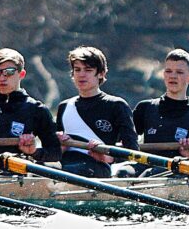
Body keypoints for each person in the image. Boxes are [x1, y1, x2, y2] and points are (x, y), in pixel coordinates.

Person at [127, 49, 189, 175]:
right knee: (123, 172)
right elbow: (124, 139)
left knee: (151, 173)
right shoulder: (145, 108)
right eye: (168, 71)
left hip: (176, 170)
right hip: (145, 166)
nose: (173, 76)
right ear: (164, 74)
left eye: (179, 72)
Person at [55, 46, 138, 178]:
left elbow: (133, 151)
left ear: (101, 74)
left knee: (72, 171)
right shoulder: (64, 106)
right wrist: (59, 145)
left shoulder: (116, 105)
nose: (81, 74)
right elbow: (55, 152)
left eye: (88, 70)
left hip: (97, 166)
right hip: (64, 165)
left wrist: (107, 158)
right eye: (77, 70)